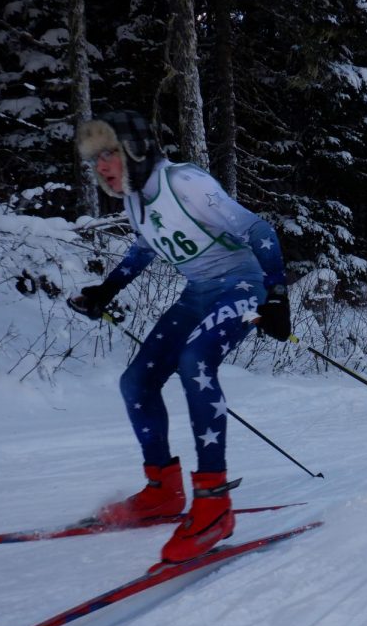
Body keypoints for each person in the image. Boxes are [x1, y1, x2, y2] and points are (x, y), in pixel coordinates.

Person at [68, 110, 291, 563]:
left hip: (242, 284)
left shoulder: (184, 181)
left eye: (108, 154)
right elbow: (145, 248)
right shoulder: (133, 200)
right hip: (199, 292)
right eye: (95, 159)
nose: (101, 167)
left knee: (196, 362)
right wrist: (107, 289)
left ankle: (214, 504)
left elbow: (257, 228)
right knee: (136, 382)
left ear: (135, 149)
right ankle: (163, 489)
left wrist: (277, 295)